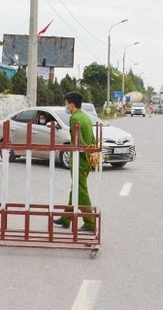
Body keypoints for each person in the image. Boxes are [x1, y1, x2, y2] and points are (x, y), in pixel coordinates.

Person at [54, 91, 98, 232]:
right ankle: (66, 218)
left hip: (80, 160)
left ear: (71, 105)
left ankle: (90, 222)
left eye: (66, 104)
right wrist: (92, 154)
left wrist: (84, 155)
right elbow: (91, 139)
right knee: (76, 190)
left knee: (81, 191)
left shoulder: (75, 119)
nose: (65, 106)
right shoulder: (85, 117)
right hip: (86, 160)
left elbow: (78, 141)